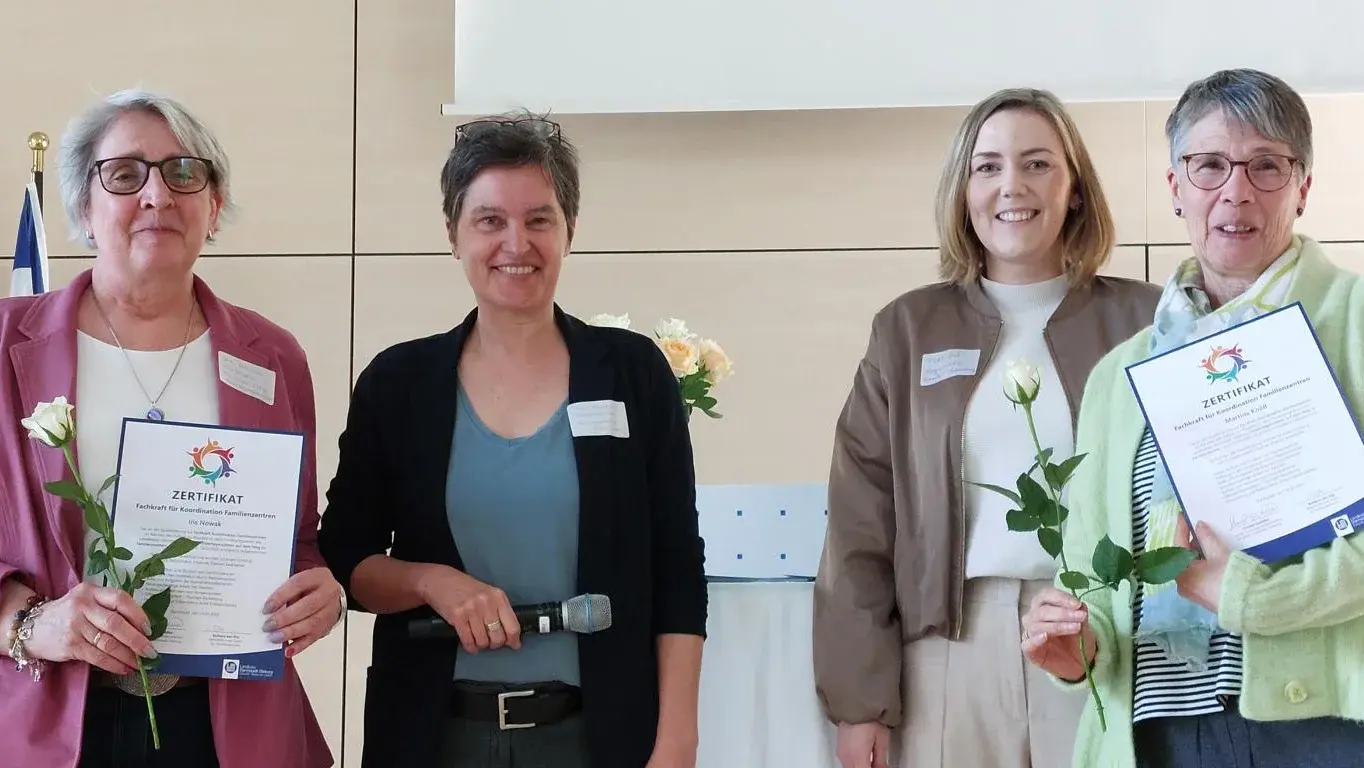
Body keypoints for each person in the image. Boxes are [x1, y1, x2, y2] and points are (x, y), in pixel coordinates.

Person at [316, 112, 708, 768]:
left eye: (539, 219)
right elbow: (347, 562)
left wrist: (677, 739)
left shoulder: (633, 372)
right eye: (490, 220)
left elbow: (677, 569)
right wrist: (431, 581)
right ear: (453, 234)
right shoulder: (398, 383)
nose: (515, 243)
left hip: (599, 738)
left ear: (570, 229)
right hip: (433, 737)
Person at [1021, 68, 1364, 767]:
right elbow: (1091, 576)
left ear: (1302, 187)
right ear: (1176, 186)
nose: (1236, 191)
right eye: (1209, 165)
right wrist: (1075, 646)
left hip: (1326, 727)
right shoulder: (1120, 375)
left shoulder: (1355, 322)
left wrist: (1255, 598)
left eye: (1265, 166)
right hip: (1160, 733)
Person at [812, 87, 1163, 768]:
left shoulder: (1146, 321)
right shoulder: (906, 330)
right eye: (988, 167)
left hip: (1103, 637)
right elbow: (859, 526)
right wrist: (859, 700)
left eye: (1038, 164)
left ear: (1075, 190)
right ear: (963, 190)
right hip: (948, 653)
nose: (1012, 186)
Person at [0, 89, 341, 767]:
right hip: (49, 720)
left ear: (213, 206)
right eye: (125, 174)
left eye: (184, 173)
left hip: (226, 724)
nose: (157, 194)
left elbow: (297, 540)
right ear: (83, 208)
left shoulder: (273, 358)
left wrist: (318, 593)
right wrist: (34, 623)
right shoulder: (7, 346)